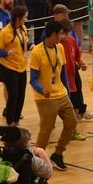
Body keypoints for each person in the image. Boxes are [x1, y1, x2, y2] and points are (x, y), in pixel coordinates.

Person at [29, 20, 79, 172]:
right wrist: (41, 89)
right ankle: (36, 159)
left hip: (61, 94)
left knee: (72, 123)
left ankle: (57, 154)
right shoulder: (37, 52)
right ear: (53, 34)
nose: (63, 37)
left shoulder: (59, 48)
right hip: (45, 97)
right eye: (61, 34)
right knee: (46, 129)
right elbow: (32, 79)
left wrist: (68, 92)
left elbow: (62, 73)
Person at [0, 5, 31, 126]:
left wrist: (31, 45)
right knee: (13, 95)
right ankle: (9, 122)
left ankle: (16, 121)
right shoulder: (5, 32)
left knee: (21, 95)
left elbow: (24, 41)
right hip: (9, 67)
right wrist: (7, 53)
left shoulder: (23, 28)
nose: (26, 19)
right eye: (25, 17)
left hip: (22, 66)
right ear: (18, 18)